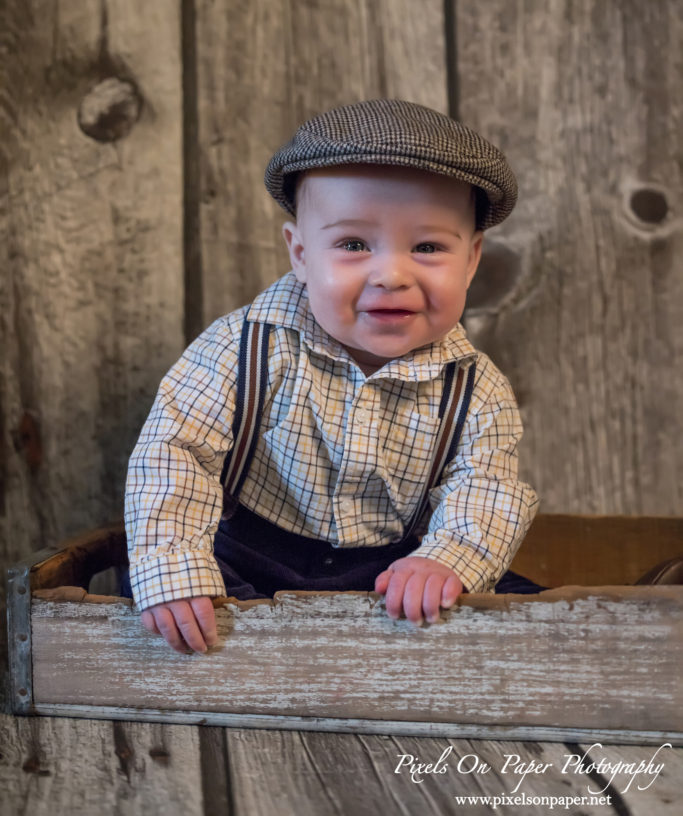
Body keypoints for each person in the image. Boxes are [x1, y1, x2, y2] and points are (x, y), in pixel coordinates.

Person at [123, 99, 541, 654]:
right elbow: (175, 452)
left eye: (428, 247)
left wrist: (443, 559)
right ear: (300, 253)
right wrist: (176, 567)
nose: (391, 274)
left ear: (471, 259)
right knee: (172, 595)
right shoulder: (242, 347)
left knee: (522, 608)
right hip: (246, 556)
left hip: (390, 571)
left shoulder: (476, 387)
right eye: (352, 245)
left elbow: (487, 487)